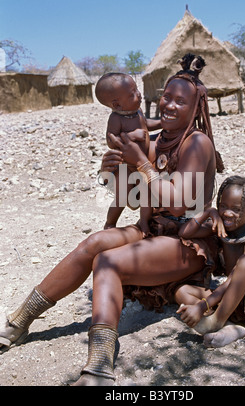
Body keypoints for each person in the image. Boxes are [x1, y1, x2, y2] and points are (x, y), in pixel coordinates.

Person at [0, 54, 223, 386]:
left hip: (188, 242)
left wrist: (143, 165)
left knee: (107, 263)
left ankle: (100, 366)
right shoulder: (155, 139)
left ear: (196, 107)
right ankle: (19, 321)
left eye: (181, 101)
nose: (170, 105)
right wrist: (113, 170)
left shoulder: (197, 142)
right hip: (154, 230)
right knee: (94, 243)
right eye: (167, 96)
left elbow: (178, 198)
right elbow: (134, 194)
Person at [176, 176, 245, 348]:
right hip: (234, 298)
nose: (228, 213)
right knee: (182, 291)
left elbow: (231, 279)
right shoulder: (222, 229)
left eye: (236, 209)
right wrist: (209, 212)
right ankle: (232, 328)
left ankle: (216, 321)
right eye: (223, 206)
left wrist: (202, 306)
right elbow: (185, 233)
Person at [95, 72, 161, 233]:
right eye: (132, 94)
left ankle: (144, 223)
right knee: (122, 198)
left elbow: (147, 124)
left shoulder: (137, 112)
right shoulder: (116, 119)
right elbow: (111, 140)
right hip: (126, 165)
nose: (139, 95)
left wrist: (163, 123)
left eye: (137, 90)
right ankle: (110, 223)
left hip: (140, 163)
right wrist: (132, 135)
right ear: (117, 105)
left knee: (146, 195)